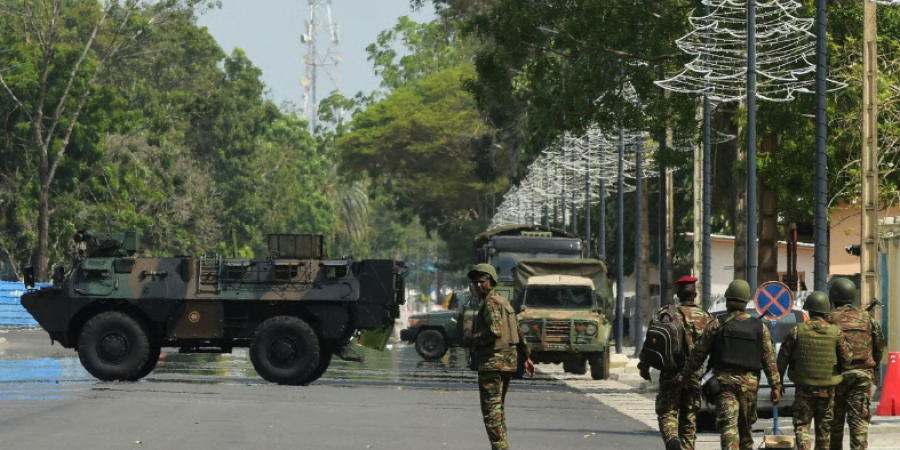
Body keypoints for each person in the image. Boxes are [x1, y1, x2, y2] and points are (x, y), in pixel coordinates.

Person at [678, 279, 782, 450]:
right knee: (746, 430)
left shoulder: (717, 324)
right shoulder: (759, 327)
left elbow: (698, 354)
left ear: (728, 300)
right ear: (745, 301)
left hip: (724, 385)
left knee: (729, 427)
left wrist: (685, 374)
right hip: (749, 386)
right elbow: (769, 359)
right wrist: (775, 386)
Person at [463, 263, 535, 450]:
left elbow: (495, 331)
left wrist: (473, 338)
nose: (478, 286)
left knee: (491, 413)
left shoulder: (490, 303)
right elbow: (518, 331)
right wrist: (526, 356)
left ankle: (500, 447)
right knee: (498, 410)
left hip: (492, 364)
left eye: (482, 282)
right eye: (475, 283)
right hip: (506, 363)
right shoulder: (504, 302)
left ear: (491, 281)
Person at [638, 275, 713, 450]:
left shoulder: (666, 314)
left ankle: (672, 437)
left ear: (678, 294)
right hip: (694, 376)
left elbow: (651, 342)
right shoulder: (706, 317)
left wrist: (644, 365)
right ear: (694, 293)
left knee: (667, 411)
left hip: (670, 373)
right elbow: (715, 348)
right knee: (689, 417)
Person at [776, 291, 853, 450]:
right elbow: (847, 359)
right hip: (827, 387)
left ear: (809, 310)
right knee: (824, 428)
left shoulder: (797, 330)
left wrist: (778, 382)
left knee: (802, 425)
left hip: (804, 387)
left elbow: (782, 358)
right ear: (826, 311)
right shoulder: (835, 331)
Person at [827, 277, 885, 450]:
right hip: (861, 377)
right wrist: (872, 368)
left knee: (834, 427)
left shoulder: (829, 319)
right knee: (859, 425)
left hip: (835, 377)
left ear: (834, 296)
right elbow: (879, 346)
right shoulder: (866, 318)